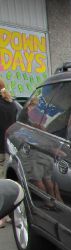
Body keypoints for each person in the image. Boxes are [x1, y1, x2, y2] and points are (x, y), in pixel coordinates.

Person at [0, 79, 20, 227]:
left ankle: (1, 218)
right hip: (8, 148)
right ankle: (6, 216)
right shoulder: (12, 104)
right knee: (5, 181)